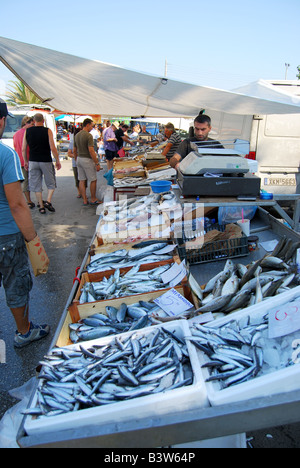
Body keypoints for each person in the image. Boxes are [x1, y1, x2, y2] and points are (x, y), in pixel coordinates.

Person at [0, 99, 50, 348]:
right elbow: (17, 204)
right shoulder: (4, 153)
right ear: (1, 120)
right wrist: (33, 240)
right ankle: (24, 331)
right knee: (16, 284)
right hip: (6, 237)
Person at [22, 113, 61, 214]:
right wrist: (57, 160)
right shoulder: (47, 131)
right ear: (43, 121)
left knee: (36, 184)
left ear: (34, 121)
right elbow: (52, 147)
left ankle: (41, 207)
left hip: (33, 161)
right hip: (45, 160)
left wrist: (26, 161)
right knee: (51, 183)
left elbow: (23, 149)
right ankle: (48, 201)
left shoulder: (28, 131)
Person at [73, 118, 101, 206]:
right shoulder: (88, 136)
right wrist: (97, 163)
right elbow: (91, 150)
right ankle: (93, 199)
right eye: (91, 126)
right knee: (93, 179)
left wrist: (76, 158)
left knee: (81, 180)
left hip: (79, 159)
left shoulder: (77, 135)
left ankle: (85, 200)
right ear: (87, 125)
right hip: (87, 159)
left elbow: (74, 149)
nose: (92, 128)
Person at [13, 116, 35, 208]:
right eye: (32, 124)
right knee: (29, 181)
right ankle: (29, 201)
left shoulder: (16, 134)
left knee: (25, 180)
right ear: (26, 123)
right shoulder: (28, 133)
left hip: (19, 160)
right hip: (27, 159)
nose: (33, 126)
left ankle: (29, 200)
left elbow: (15, 147)